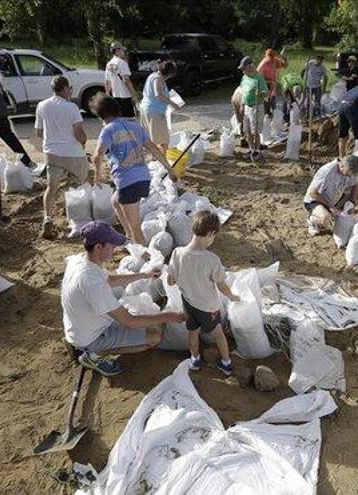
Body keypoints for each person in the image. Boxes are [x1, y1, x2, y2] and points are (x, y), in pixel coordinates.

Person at [61, 221, 186, 376]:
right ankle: (94, 355)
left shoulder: (80, 261)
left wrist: (144, 275)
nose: (115, 249)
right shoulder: (93, 283)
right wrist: (169, 316)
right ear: (98, 247)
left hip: (80, 325)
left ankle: (90, 347)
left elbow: (110, 280)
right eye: (111, 245)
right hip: (91, 336)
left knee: (141, 319)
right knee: (155, 336)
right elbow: (129, 321)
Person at [90, 94, 175, 245]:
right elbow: (154, 149)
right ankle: (129, 237)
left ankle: (146, 258)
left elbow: (97, 156)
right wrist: (169, 168)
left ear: (101, 116)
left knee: (135, 226)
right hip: (143, 178)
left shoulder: (108, 130)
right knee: (115, 201)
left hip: (127, 182)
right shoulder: (135, 126)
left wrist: (96, 175)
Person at [167, 210, 239, 375]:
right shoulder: (212, 260)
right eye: (214, 237)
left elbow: (171, 281)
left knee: (193, 332)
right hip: (209, 307)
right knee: (218, 333)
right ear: (211, 234)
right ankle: (226, 363)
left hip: (188, 302)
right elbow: (221, 286)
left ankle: (195, 359)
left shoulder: (177, 253)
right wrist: (232, 296)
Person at [34, 75, 88, 239]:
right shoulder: (71, 107)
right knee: (79, 185)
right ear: (65, 89)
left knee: (52, 187)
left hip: (52, 153)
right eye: (69, 89)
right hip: (73, 153)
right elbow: (79, 133)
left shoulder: (42, 105)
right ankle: (77, 220)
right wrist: (84, 142)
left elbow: (39, 132)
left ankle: (47, 218)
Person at [304, 155, 358, 235]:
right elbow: (312, 193)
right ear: (341, 166)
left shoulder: (349, 171)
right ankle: (312, 220)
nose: (349, 176)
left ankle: (337, 214)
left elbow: (354, 184)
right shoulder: (326, 172)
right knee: (325, 218)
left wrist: (353, 199)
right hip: (316, 200)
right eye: (348, 173)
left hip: (335, 197)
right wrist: (331, 207)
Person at [140, 61, 181, 154]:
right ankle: (161, 158)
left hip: (146, 108)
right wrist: (172, 103)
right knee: (162, 138)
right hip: (154, 111)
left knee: (151, 135)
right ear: (169, 73)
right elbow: (158, 94)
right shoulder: (158, 79)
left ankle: (155, 156)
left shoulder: (153, 75)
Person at [239, 56, 269, 159]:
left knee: (255, 131)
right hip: (247, 107)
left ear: (251, 67)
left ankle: (257, 151)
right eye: (242, 69)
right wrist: (242, 105)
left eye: (244, 68)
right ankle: (251, 149)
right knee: (247, 130)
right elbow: (243, 92)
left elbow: (266, 93)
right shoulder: (244, 77)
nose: (243, 71)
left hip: (256, 107)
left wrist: (260, 92)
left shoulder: (258, 78)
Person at [105, 42, 137, 118]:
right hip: (125, 97)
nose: (123, 52)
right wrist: (134, 95)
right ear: (117, 51)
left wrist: (108, 95)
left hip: (115, 96)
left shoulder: (109, 64)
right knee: (129, 120)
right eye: (122, 50)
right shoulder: (122, 63)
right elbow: (127, 80)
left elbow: (107, 81)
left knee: (118, 120)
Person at [257, 48, 287, 116]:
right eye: (269, 57)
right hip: (264, 86)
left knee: (273, 104)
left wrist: (283, 57)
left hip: (272, 86)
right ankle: (266, 116)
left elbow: (285, 66)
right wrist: (269, 83)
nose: (271, 59)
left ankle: (273, 117)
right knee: (266, 103)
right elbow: (258, 79)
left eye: (272, 57)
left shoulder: (275, 60)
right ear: (266, 56)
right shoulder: (262, 65)